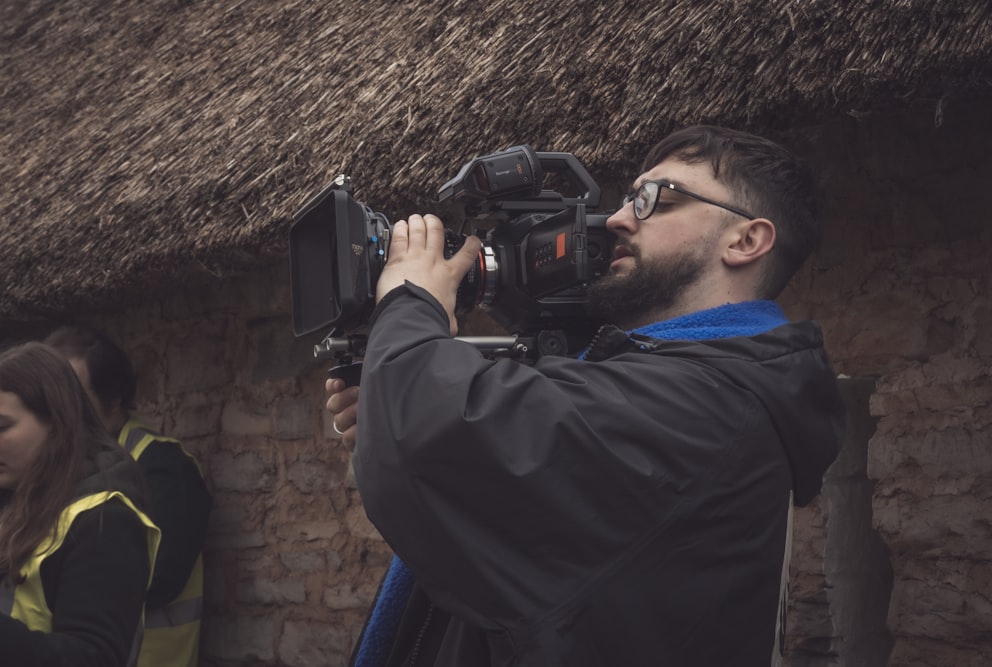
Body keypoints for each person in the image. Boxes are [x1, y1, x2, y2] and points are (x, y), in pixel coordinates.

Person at [326, 125, 846, 666]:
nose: (619, 218)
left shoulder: (710, 407)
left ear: (745, 240)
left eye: (654, 200)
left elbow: (436, 436)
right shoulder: (683, 386)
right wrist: (395, 403)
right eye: (628, 198)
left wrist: (412, 300)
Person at [44, 326, 211, 667]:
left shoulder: (163, 466)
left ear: (114, 396)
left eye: (75, 397)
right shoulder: (57, 467)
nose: (60, 411)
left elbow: (162, 576)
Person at [0, 342, 160, 666]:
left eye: (2, 426)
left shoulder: (105, 520)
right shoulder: (13, 498)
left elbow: (92, 657)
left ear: (57, 422)